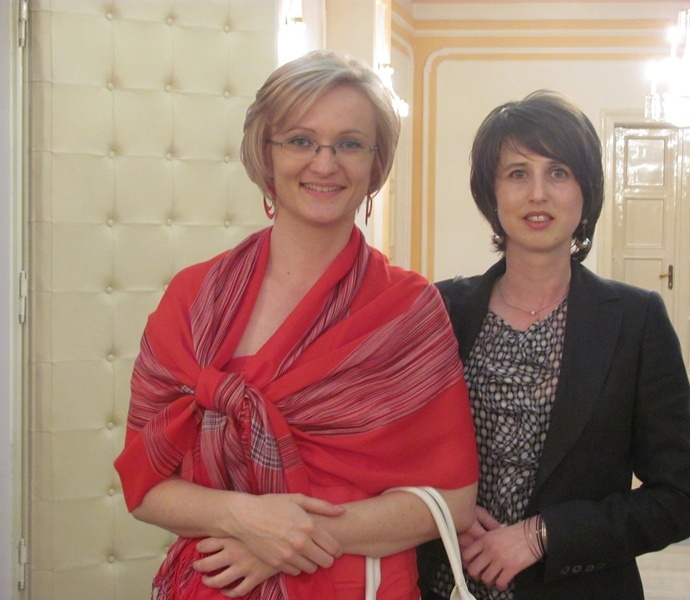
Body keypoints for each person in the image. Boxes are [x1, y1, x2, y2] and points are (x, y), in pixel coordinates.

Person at [114, 50, 478, 600]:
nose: (324, 164)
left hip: (358, 584)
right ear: (266, 153)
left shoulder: (407, 309)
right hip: (218, 581)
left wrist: (292, 535)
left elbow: (453, 501)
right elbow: (144, 486)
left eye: (350, 144)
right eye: (301, 140)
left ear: (375, 164)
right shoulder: (193, 298)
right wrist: (244, 518)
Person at [417, 90, 690, 599]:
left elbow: (676, 499)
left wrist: (543, 534)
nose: (538, 194)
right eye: (517, 173)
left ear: (585, 191)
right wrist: (441, 512)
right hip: (446, 583)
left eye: (558, 172)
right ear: (491, 193)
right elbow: (396, 452)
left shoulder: (635, 321)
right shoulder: (440, 310)